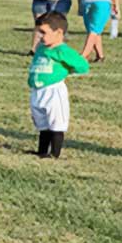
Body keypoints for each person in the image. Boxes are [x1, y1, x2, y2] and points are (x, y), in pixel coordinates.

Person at [27, 12, 89, 158]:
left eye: (44, 32)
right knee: (42, 123)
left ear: (59, 32)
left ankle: (55, 153)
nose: (40, 36)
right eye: (39, 32)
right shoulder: (42, 48)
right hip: (37, 90)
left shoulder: (62, 51)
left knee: (56, 121)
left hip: (53, 91)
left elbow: (83, 66)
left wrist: (65, 71)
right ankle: (42, 151)